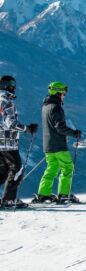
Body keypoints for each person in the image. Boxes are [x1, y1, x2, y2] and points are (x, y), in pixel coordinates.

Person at [32, 81, 82, 204]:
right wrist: (75, 133)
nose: (64, 95)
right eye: (63, 93)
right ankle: (64, 194)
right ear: (58, 92)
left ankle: (43, 194)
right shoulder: (56, 107)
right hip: (59, 145)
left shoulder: (45, 106)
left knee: (51, 169)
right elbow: (60, 127)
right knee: (67, 168)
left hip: (48, 145)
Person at [0, 75, 38, 208]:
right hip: (7, 142)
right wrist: (27, 128)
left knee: (3, 171)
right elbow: (10, 123)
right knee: (17, 169)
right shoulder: (6, 102)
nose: (14, 87)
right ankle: (9, 200)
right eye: (11, 84)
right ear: (5, 86)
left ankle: (5, 200)